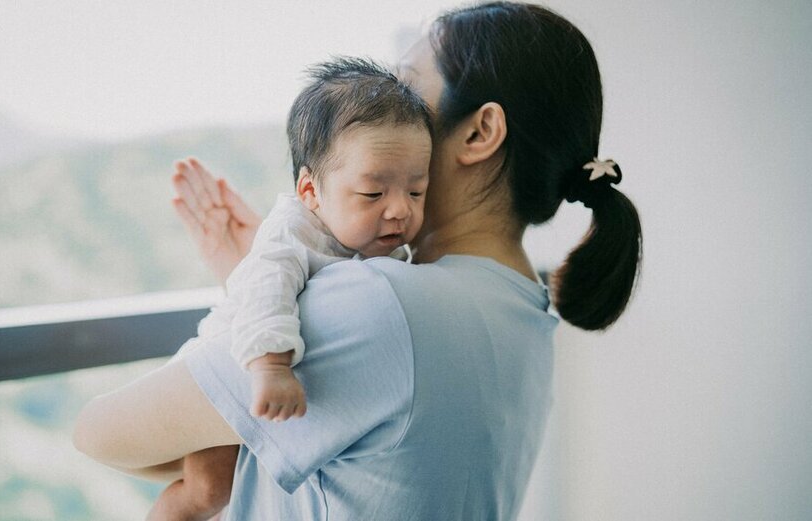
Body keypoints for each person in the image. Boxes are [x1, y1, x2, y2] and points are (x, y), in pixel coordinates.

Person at [73, 2, 643, 520]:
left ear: (481, 132)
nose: (384, 107)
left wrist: (296, 294)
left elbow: (100, 433)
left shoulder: (383, 303)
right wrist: (270, 282)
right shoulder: (524, 306)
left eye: (407, 90)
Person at [145, 57, 432, 519]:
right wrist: (271, 367)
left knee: (236, 490)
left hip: (275, 401)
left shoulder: (382, 246)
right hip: (232, 365)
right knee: (208, 487)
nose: (400, 210)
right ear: (310, 192)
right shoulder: (289, 233)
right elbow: (265, 295)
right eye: (374, 194)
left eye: (416, 191)